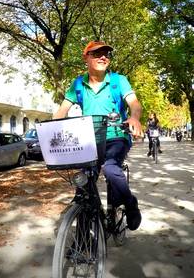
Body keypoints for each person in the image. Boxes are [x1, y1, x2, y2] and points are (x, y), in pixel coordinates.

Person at [53, 39, 143, 231]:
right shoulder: (77, 84)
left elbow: (135, 104)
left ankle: (130, 203)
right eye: (97, 53)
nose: (103, 57)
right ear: (86, 58)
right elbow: (61, 112)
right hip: (88, 140)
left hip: (116, 137)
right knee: (83, 185)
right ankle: (82, 244)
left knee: (111, 170)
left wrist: (134, 118)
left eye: (106, 54)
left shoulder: (118, 81)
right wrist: (52, 130)